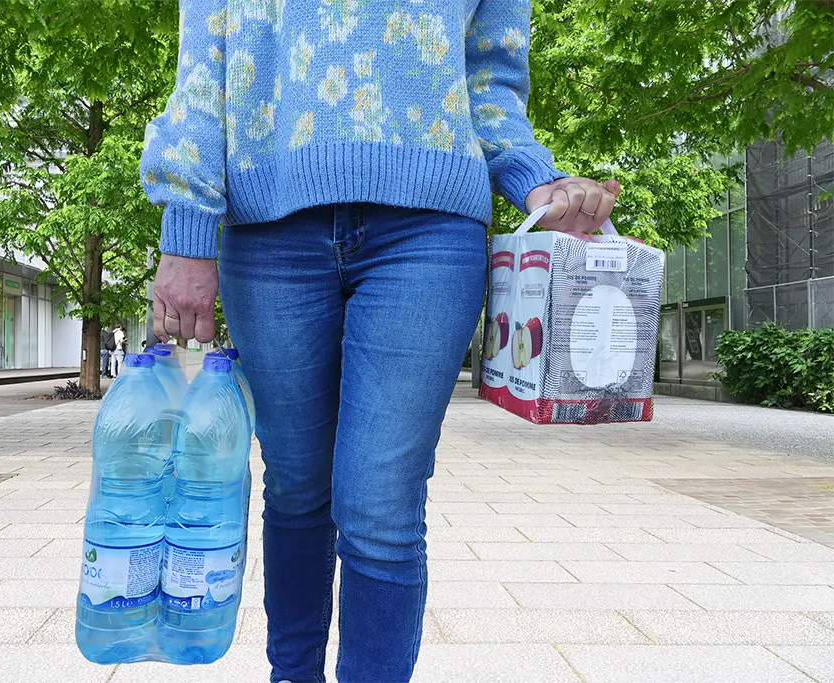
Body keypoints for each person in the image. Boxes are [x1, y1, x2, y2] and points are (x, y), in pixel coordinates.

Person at [141, 4, 619, 681]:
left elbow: (490, 76)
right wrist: (186, 222)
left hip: (429, 228)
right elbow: (202, 66)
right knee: (298, 487)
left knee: (379, 505)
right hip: (271, 222)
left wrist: (534, 178)